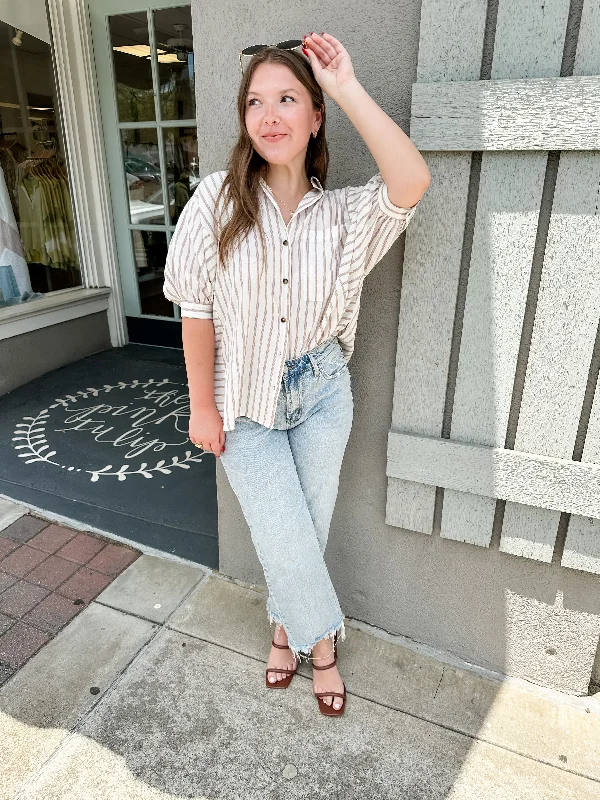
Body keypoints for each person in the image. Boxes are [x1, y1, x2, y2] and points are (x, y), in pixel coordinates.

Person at [163, 31, 430, 716]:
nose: (269, 115)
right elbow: (196, 313)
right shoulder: (216, 201)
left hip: (320, 393)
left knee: (306, 529)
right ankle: (326, 644)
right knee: (284, 533)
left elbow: (411, 180)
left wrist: (344, 85)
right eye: (256, 101)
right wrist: (202, 407)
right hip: (242, 397)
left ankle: (286, 632)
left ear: (315, 118)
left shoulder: (343, 216)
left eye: (288, 99)